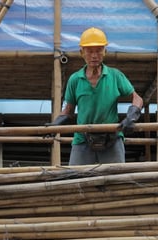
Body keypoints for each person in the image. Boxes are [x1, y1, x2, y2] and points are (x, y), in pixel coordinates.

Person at [50, 26, 144, 165]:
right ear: (82, 52)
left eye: (99, 50)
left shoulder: (115, 76)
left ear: (104, 51)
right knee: (75, 180)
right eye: (89, 51)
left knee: (115, 179)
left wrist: (132, 116)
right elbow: (69, 110)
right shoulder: (75, 79)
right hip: (82, 139)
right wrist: (55, 125)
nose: (94, 55)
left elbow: (137, 98)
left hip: (112, 138)